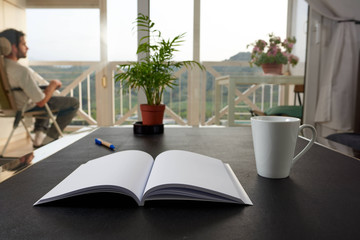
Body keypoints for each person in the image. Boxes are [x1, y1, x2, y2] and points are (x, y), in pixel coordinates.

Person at [0, 28, 79, 147]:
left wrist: (47, 91)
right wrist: (53, 85)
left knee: (45, 95)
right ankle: (49, 141)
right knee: (73, 102)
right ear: (13, 47)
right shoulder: (20, 71)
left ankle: (38, 139)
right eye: (23, 44)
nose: (27, 47)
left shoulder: (3, 67)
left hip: (9, 107)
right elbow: (41, 102)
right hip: (26, 106)